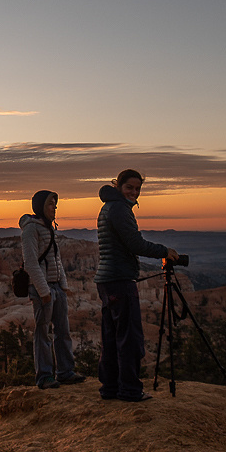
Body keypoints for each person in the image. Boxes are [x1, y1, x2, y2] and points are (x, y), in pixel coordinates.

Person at [94, 169, 179, 402]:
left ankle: (110, 388)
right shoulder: (120, 208)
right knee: (129, 338)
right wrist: (164, 251)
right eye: (130, 187)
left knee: (111, 338)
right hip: (120, 281)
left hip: (107, 280)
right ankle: (130, 389)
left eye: (138, 188)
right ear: (119, 185)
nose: (134, 192)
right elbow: (134, 243)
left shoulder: (108, 207)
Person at [21, 190, 83, 389]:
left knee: (63, 331)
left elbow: (56, 259)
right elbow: (30, 263)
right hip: (43, 289)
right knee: (43, 333)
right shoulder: (31, 229)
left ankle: (65, 372)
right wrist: (44, 291)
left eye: (55, 205)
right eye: (50, 204)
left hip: (56, 287)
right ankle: (44, 376)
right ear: (40, 207)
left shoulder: (49, 228)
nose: (54, 208)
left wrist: (63, 285)